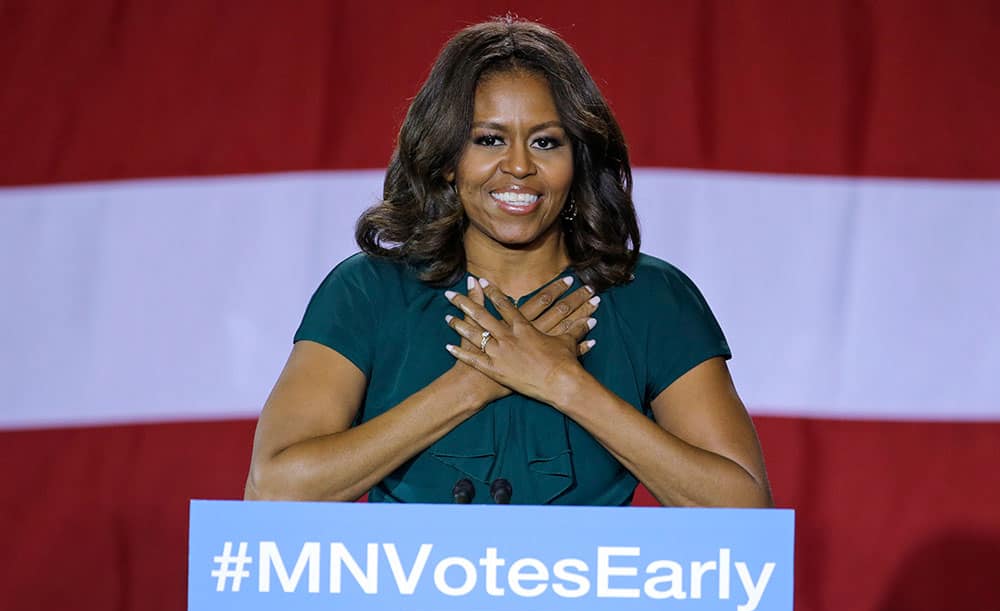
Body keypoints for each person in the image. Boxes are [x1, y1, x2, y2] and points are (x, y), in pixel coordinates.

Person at [244, 17, 772, 507]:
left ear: (578, 160)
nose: (519, 166)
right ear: (447, 159)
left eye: (546, 142)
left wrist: (561, 381)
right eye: (489, 139)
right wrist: (473, 384)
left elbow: (745, 508)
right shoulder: (368, 290)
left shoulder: (650, 296)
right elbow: (273, 489)